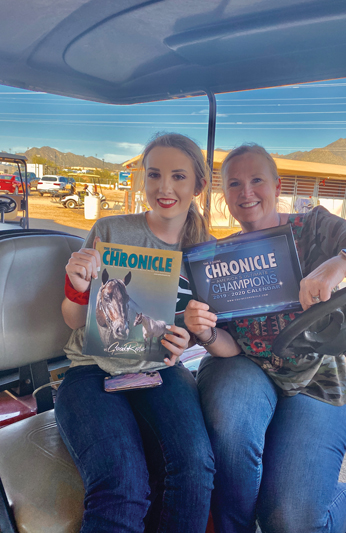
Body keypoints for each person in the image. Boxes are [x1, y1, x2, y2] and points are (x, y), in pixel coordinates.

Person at [184, 144, 346, 533]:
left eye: (256, 180)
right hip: (244, 367)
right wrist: (207, 333)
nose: (246, 192)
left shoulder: (315, 228)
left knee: (289, 521)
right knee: (230, 424)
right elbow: (229, 345)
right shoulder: (220, 257)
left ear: (277, 185)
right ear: (224, 195)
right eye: (234, 184)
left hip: (316, 381)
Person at [55, 133, 215, 533]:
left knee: (195, 469)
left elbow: (197, 331)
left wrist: (187, 339)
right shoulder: (109, 230)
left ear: (199, 185)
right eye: (155, 175)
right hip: (91, 369)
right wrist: (77, 286)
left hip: (160, 370)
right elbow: (74, 320)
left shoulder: (206, 252)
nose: (165, 187)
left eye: (179, 176)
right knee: (123, 483)